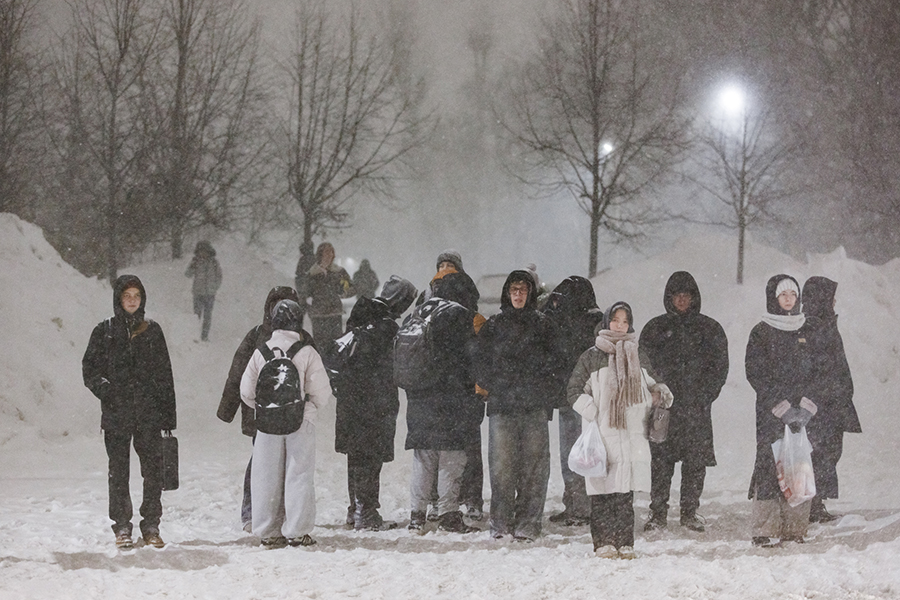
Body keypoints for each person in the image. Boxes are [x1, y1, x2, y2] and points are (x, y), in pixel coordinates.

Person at [567, 301, 673, 560]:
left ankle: (625, 542)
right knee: (602, 491)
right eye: (616, 320)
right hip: (602, 434)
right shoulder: (592, 355)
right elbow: (573, 391)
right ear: (606, 322)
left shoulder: (637, 354)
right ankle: (603, 542)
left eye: (625, 321)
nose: (620, 325)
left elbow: (653, 386)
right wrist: (595, 413)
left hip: (631, 434)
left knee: (624, 492)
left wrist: (658, 396)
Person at [82, 274, 177, 550]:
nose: (132, 301)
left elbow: (165, 376)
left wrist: (168, 417)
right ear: (119, 300)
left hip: (148, 414)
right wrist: (106, 390)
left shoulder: (153, 331)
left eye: (136, 296)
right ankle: (122, 526)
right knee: (118, 472)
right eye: (127, 296)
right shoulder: (105, 331)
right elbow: (90, 369)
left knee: (153, 472)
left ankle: (151, 526)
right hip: (117, 415)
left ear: (142, 298)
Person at [475, 270, 561, 541]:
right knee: (502, 469)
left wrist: (545, 391)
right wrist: (492, 385)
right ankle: (500, 523)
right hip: (502, 408)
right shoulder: (494, 325)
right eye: (514, 290)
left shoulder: (544, 325)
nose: (518, 295)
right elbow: (479, 360)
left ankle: (529, 523)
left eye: (523, 290)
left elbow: (557, 362)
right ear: (506, 293)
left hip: (534, 407)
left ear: (531, 293)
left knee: (534, 470)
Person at [639, 271, 729, 532]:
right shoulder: (655, 329)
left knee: (695, 462)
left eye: (686, 295)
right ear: (669, 298)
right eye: (676, 295)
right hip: (662, 409)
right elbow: (643, 365)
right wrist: (655, 390)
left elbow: (719, 368)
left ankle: (690, 512)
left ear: (694, 297)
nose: (681, 300)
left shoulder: (709, 329)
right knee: (660, 461)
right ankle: (657, 513)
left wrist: (705, 395)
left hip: (696, 408)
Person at [240, 300, 334, 547]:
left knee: (265, 476)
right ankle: (297, 530)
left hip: (267, 424)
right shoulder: (306, 351)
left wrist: (267, 407)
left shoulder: (261, 351)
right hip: (299, 421)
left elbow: (246, 392)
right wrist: (305, 407)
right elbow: (322, 393)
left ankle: (268, 531)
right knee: (298, 475)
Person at [330, 276, 417, 531]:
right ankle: (367, 512)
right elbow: (391, 367)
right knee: (370, 458)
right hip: (374, 402)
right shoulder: (386, 327)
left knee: (356, 456)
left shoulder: (360, 316)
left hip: (350, 399)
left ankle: (354, 508)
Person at [217, 286, 302, 533]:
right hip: (262, 415)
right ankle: (252, 511)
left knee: (283, 463)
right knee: (263, 463)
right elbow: (238, 373)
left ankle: (279, 512)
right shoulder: (258, 336)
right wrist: (228, 408)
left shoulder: (299, 339)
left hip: (285, 413)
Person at [405, 273, 482, 534]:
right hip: (450, 400)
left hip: (418, 400)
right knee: (451, 459)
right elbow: (470, 357)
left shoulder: (417, 314)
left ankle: (417, 515)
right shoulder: (458, 315)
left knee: (423, 459)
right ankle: (449, 514)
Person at [745, 275, 817, 547]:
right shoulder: (761, 331)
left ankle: (794, 528)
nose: (789, 299)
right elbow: (756, 372)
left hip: (803, 415)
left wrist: (806, 407)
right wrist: (781, 406)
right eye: (783, 295)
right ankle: (763, 529)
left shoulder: (806, 330)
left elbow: (820, 371)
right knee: (768, 466)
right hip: (770, 412)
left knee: (798, 464)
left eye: (793, 294)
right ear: (773, 299)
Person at [541, 276, 604, 526]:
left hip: (572, 397)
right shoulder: (595, 322)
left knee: (574, 453)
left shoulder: (564, 322)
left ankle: (578, 506)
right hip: (589, 398)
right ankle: (584, 505)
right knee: (587, 453)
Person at [800, 276, 860, 523]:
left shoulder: (825, 324)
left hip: (832, 403)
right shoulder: (811, 327)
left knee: (828, 453)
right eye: (831, 296)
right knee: (818, 454)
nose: (835, 301)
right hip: (821, 406)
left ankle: (816, 503)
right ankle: (810, 505)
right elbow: (815, 368)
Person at [305, 242, 353, 345]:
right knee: (320, 345)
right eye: (327, 252)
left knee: (336, 345)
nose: (329, 255)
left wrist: (344, 292)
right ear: (320, 254)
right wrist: (308, 305)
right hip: (318, 314)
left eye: (331, 252)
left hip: (334, 313)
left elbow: (351, 287)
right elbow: (305, 292)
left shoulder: (339, 272)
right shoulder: (312, 273)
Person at [184, 240, 222, 341]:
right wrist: (192, 266)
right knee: (196, 316)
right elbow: (187, 274)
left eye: (205, 251)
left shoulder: (214, 262)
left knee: (207, 316)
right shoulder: (195, 261)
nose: (203, 253)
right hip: (198, 293)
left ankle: (204, 336)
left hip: (210, 294)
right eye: (201, 251)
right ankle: (194, 335)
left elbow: (219, 276)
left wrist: (214, 287)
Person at [294, 240, 316, 325]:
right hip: (311, 293)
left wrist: (301, 291)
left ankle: (298, 333)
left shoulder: (302, 260)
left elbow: (298, 275)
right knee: (313, 317)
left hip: (304, 292)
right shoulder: (315, 259)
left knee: (300, 316)